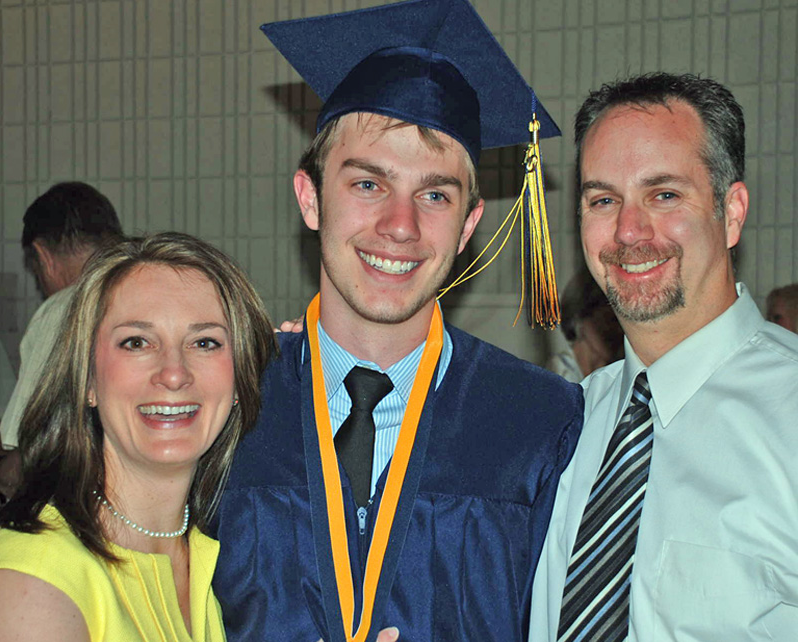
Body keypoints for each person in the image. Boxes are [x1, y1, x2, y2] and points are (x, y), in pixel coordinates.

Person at [212, 1, 584, 641]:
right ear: (310, 198)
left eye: (434, 194)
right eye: (368, 184)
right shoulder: (226, 402)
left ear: (468, 227)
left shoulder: (541, 424)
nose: (401, 225)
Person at [530, 72, 798, 640]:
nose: (629, 231)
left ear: (732, 212)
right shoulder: (563, 426)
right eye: (604, 200)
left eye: (665, 195)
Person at [0, 233, 276, 641]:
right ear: (87, 379)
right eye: (137, 342)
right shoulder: (35, 581)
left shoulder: (228, 565)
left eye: (204, 342)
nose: (174, 373)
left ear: (240, 380)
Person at [0, 182, 124, 457]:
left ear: (43, 256)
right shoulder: (159, 289)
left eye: (36, 274)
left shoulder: (63, 308)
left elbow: (27, 444)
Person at [546, 267, 623, 382]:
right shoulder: (559, 373)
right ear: (580, 320)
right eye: (609, 320)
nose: (617, 330)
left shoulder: (616, 373)